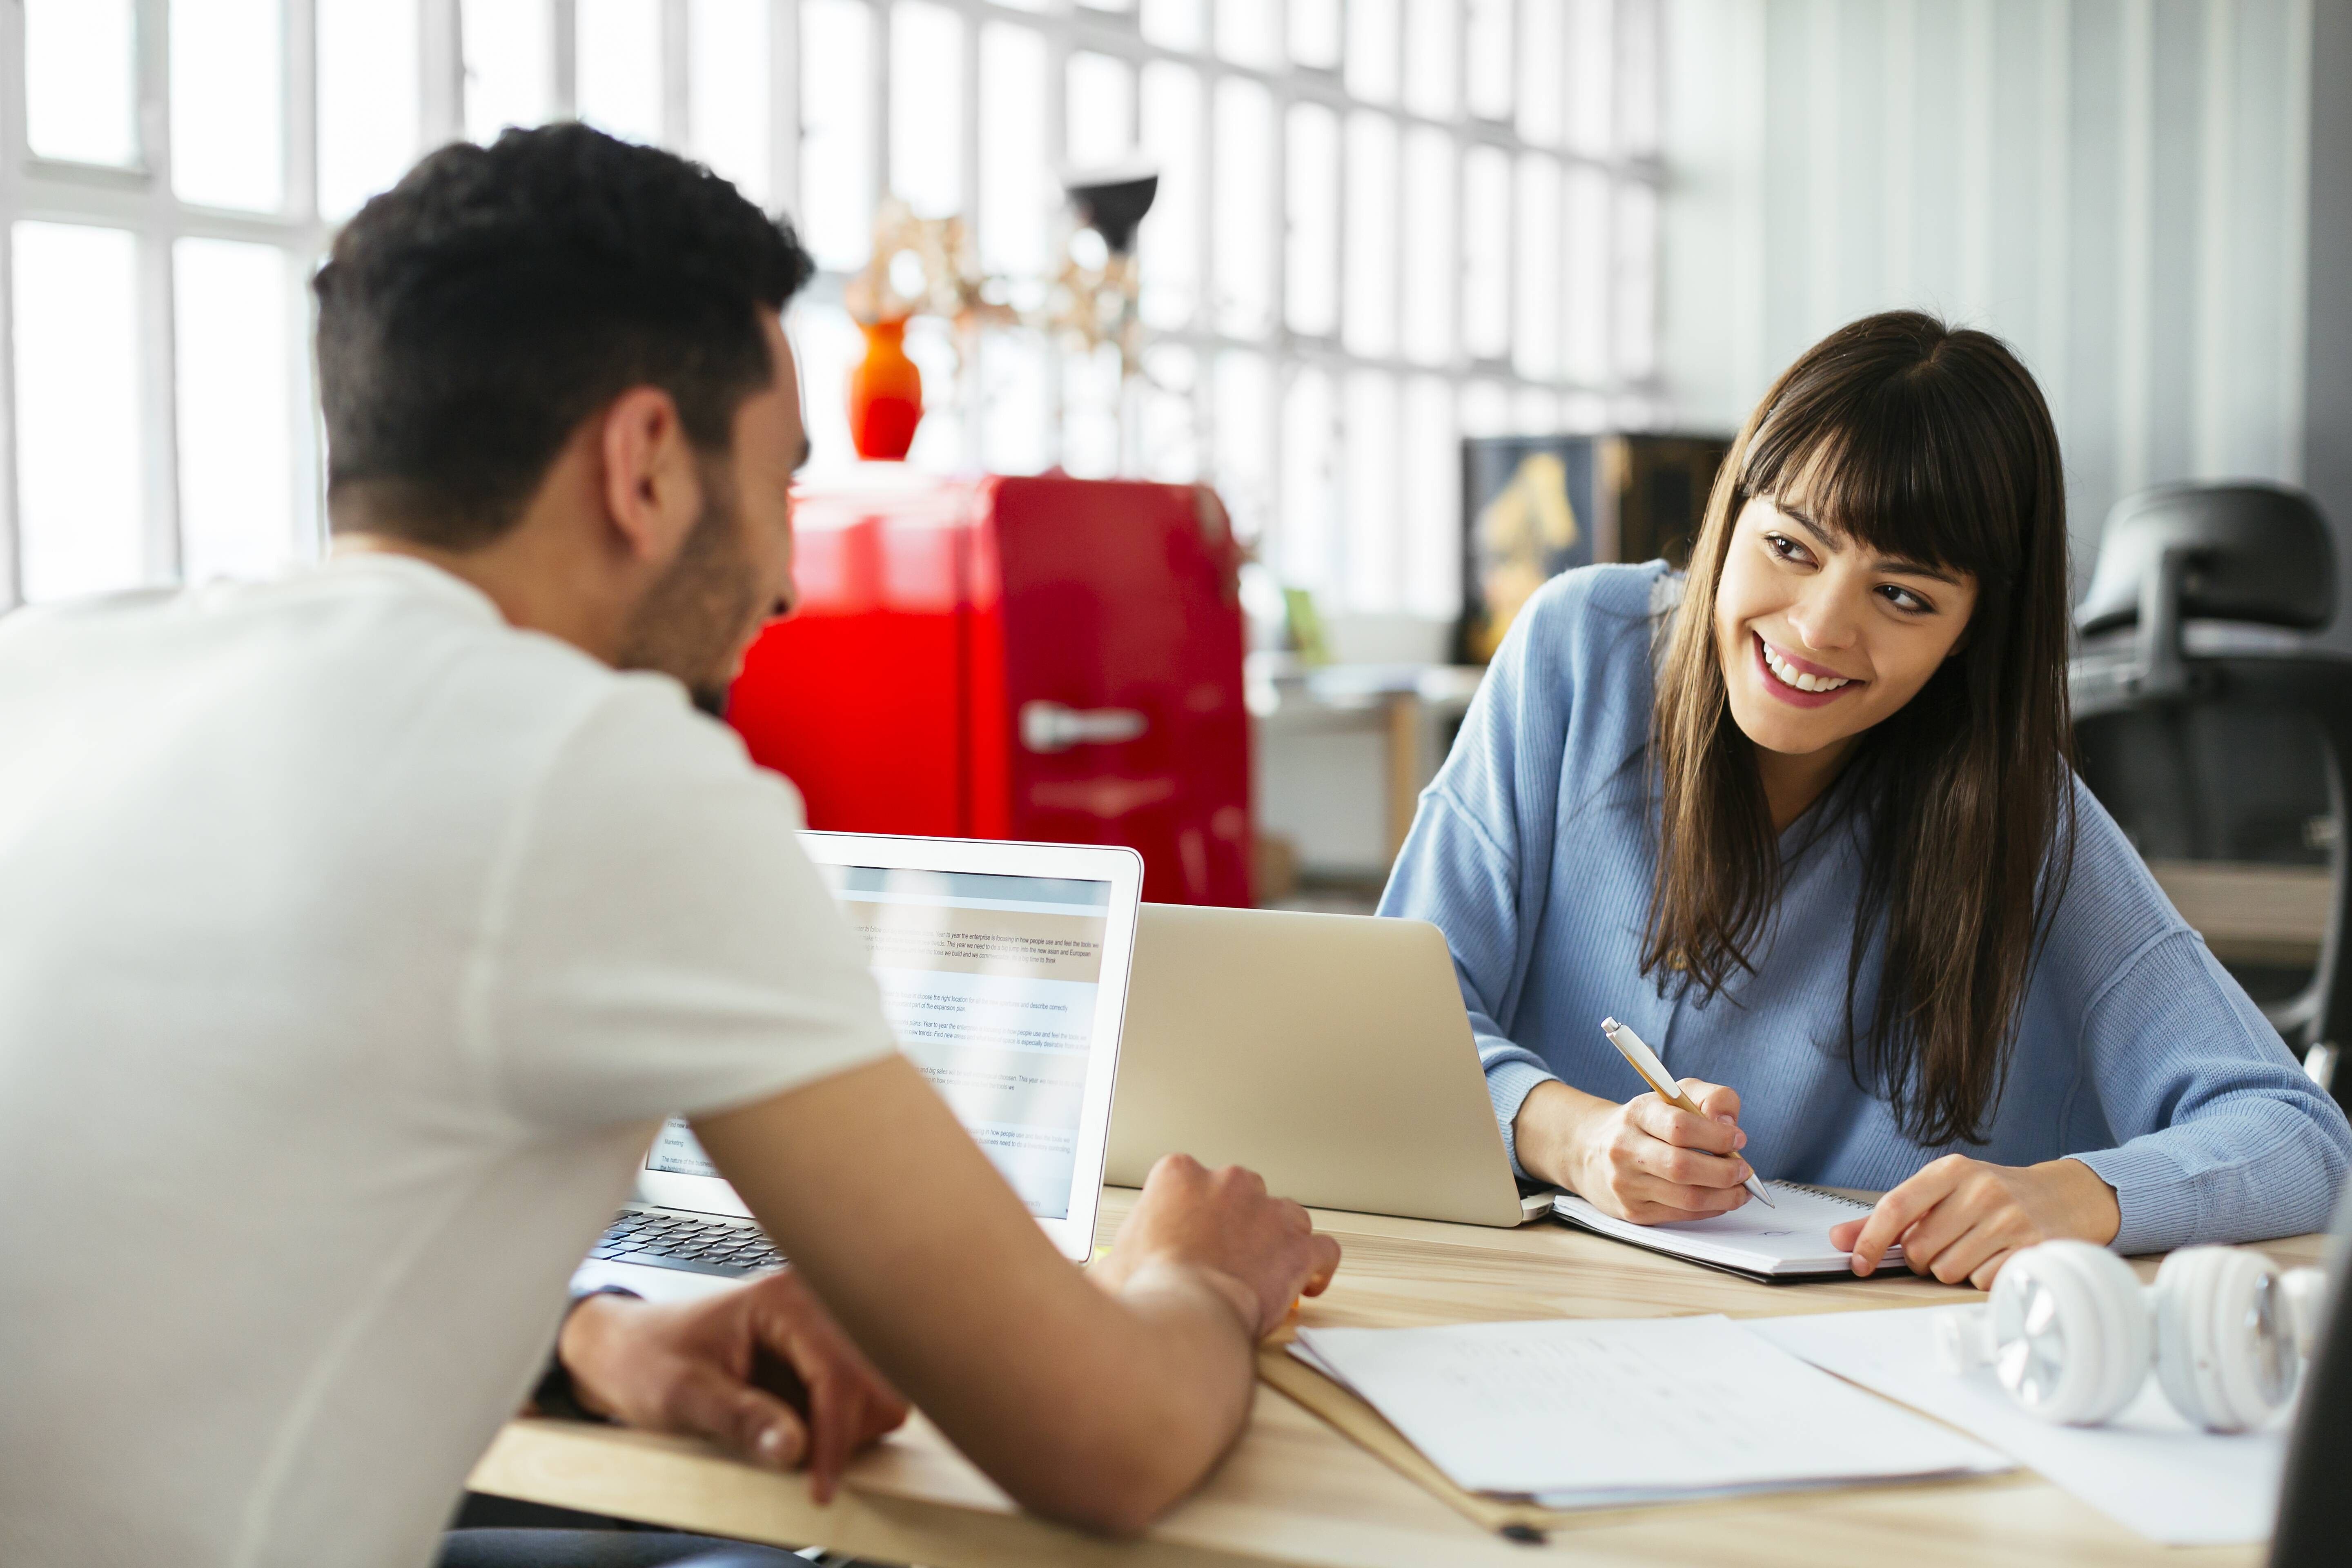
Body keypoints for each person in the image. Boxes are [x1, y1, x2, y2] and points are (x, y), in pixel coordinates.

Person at [0, 124, 1339, 1568]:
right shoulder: (597, 771)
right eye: (780, 488)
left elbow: (170, 1249)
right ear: (644, 463)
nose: (783, 580)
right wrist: (1195, 1279)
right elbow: (1108, 1439)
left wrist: (585, 1341)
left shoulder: (55, 667)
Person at [1382, 310, 2352, 1290]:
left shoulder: (2020, 811)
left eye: (1904, 597)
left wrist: (2074, 1193)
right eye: (1792, 548)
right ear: (1734, 515)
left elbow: (2298, 1136)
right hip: (1544, 1312)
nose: (1818, 629)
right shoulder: (1579, 652)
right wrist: (1576, 1138)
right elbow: (1394, 1027)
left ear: (1972, 632)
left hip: (1858, 1358)